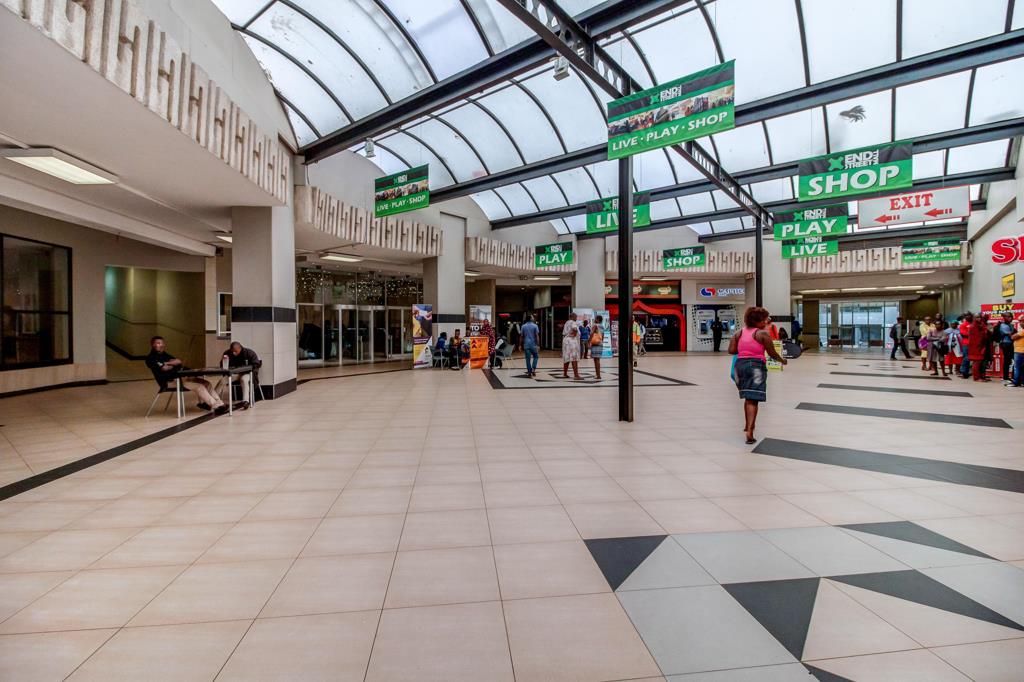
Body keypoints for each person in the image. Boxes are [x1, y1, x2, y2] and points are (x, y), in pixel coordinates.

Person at [729, 307, 786, 445]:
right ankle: (750, 431)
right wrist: (782, 360)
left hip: (739, 367)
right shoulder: (762, 334)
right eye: (765, 319)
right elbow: (772, 353)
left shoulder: (738, 333)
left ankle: (747, 426)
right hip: (755, 367)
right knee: (753, 400)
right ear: (757, 321)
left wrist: (745, 347)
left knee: (748, 398)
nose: (767, 322)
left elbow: (731, 350)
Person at [146, 336, 228, 415]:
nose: (161, 345)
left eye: (162, 343)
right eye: (158, 343)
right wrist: (172, 364)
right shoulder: (151, 358)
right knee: (199, 386)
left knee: (206, 383)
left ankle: (219, 403)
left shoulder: (164, 355)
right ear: (153, 344)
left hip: (182, 378)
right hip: (170, 381)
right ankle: (216, 406)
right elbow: (165, 368)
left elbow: (178, 361)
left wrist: (167, 363)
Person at [221, 341, 262, 407]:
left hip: (246, 373)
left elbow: (256, 364)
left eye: (235, 351)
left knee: (244, 380)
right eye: (232, 351)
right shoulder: (227, 353)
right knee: (222, 381)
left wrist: (246, 369)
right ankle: (214, 400)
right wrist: (225, 362)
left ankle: (246, 401)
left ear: (240, 348)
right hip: (234, 374)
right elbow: (222, 365)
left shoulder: (249, 353)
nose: (233, 353)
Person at [993, 312, 1016, 383]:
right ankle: (1005, 377)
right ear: (1004, 318)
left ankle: (1011, 377)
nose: (1010, 318)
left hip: (1010, 344)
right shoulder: (1003, 326)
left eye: (1011, 316)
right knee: (1007, 361)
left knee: (1010, 360)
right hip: (1006, 344)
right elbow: (1011, 336)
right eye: (1008, 317)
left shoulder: (1010, 325)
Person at [968, 314, 991, 382]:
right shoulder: (973, 326)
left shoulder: (980, 325)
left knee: (980, 362)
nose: (979, 318)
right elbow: (975, 338)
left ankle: (981, 376)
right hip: (976, 347)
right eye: (977, 317)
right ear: (974, 318)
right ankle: (976, 377)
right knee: (976, 362)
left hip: (981, 346)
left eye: (980, 317)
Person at [562, 311, 581, 379]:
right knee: (574, 357)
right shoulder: (573, 322)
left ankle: (565, 374)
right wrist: (574, 335)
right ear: (572, 317)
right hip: (571, 341)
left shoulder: (567, 322)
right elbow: (575, 329)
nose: (576, 318)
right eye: (576, 317)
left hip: (566, 340)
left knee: (567, 357)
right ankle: (576, 375)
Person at [1010, 316, 1024, 388]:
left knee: (1017, 367)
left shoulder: (1023, 331)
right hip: (1020, 351)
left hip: (1019, 351)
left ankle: (1015, 382)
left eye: (1022, 321)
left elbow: (1013, 337)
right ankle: (1022, 382)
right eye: (1020, 321)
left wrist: (1012, 334)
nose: (1020, 323)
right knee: (1021, 368)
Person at [959, 313, 974, 379]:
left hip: (974, 343)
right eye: (967, 316)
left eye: (969, 315)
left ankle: (970, 371)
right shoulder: (963, 325)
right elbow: (964, 334)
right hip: (966, 343)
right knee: (966, 358)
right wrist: (973, 333)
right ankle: (964, 372)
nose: (968, 317)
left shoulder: (974, 323)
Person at [591, 315, 604, 380]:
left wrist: (589, 341)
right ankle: (598, 374)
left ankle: (598, 375)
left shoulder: (595, 325)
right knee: (597, 359)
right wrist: (600, 342)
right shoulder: (602, 326)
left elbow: (591, 334)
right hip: (600, 343)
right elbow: (603, 336)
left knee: (596, 360)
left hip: (595, 343)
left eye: (595, 318)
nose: (594, 319)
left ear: (598, 319)